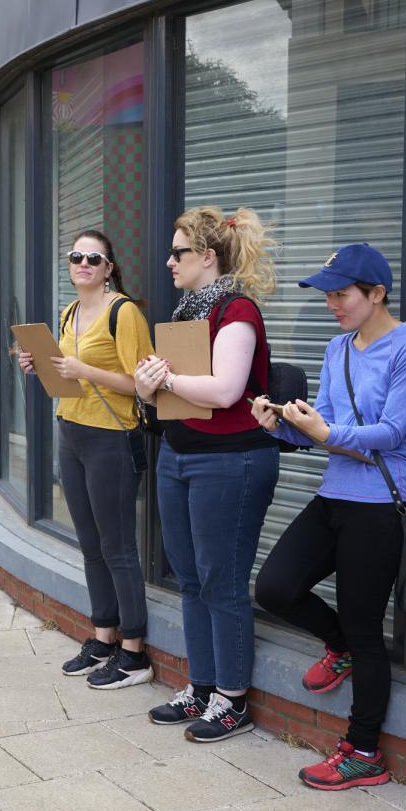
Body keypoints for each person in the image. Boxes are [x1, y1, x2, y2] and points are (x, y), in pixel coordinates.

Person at [250, 244, 406, 789]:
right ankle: (342, 648)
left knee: (364, 625)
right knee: (276, 587)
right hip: (335, 494)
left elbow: (395, 435)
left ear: (376, 294)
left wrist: (326, 434)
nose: (332, 303)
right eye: (327, 294)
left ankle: (363, 751)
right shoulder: (338, 347)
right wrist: (281, 424)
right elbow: (325, 422)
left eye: (342, 293)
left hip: (380, 503)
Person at [134, 206, 279, 742]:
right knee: (191, 577)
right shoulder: (189, 310)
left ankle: (233, 699)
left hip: (231, 460)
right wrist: (151, 387)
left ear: (208, 257)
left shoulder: (236, 310)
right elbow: (177, 393)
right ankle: (203, 687)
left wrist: (163, 380)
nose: (169, 261)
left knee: (221, 578)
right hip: (180, 454)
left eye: (178, 252)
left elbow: (223, 391)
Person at [19, 230, 156, 689]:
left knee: (118, 547)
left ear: (108, 267)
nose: (83, 264)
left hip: (111, 437)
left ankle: (134, 652)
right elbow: (66, 384)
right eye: (76, 257)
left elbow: (142, 385)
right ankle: (103, 637)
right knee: (90, 543)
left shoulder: (124, 312)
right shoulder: (69, 311)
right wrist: (41, 367)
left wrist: (83, 369)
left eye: (93, 258)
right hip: (71, 429)